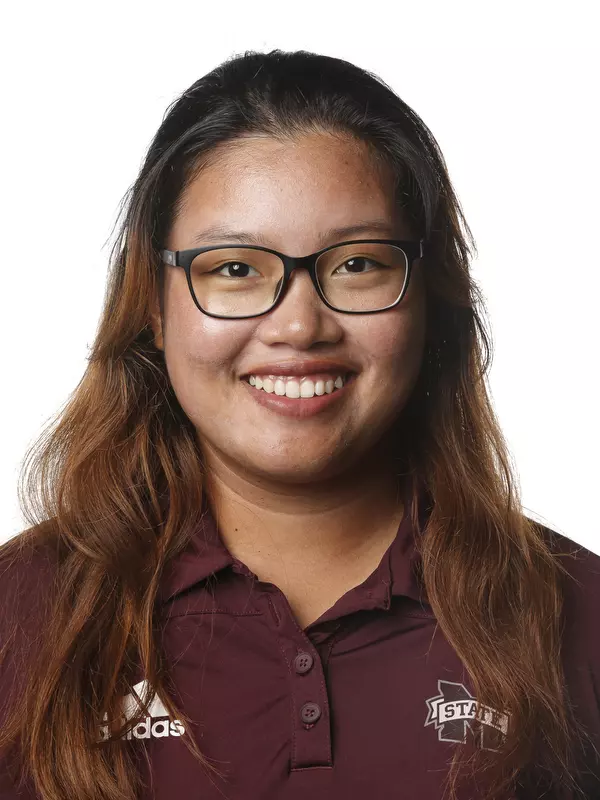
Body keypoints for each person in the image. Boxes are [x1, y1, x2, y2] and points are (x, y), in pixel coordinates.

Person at [0, 48, 598, 800]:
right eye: (234, 268)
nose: (299, 326)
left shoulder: (577, 612)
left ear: (429, 297)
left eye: (357, 264)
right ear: (153, 303)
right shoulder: (19, 612)